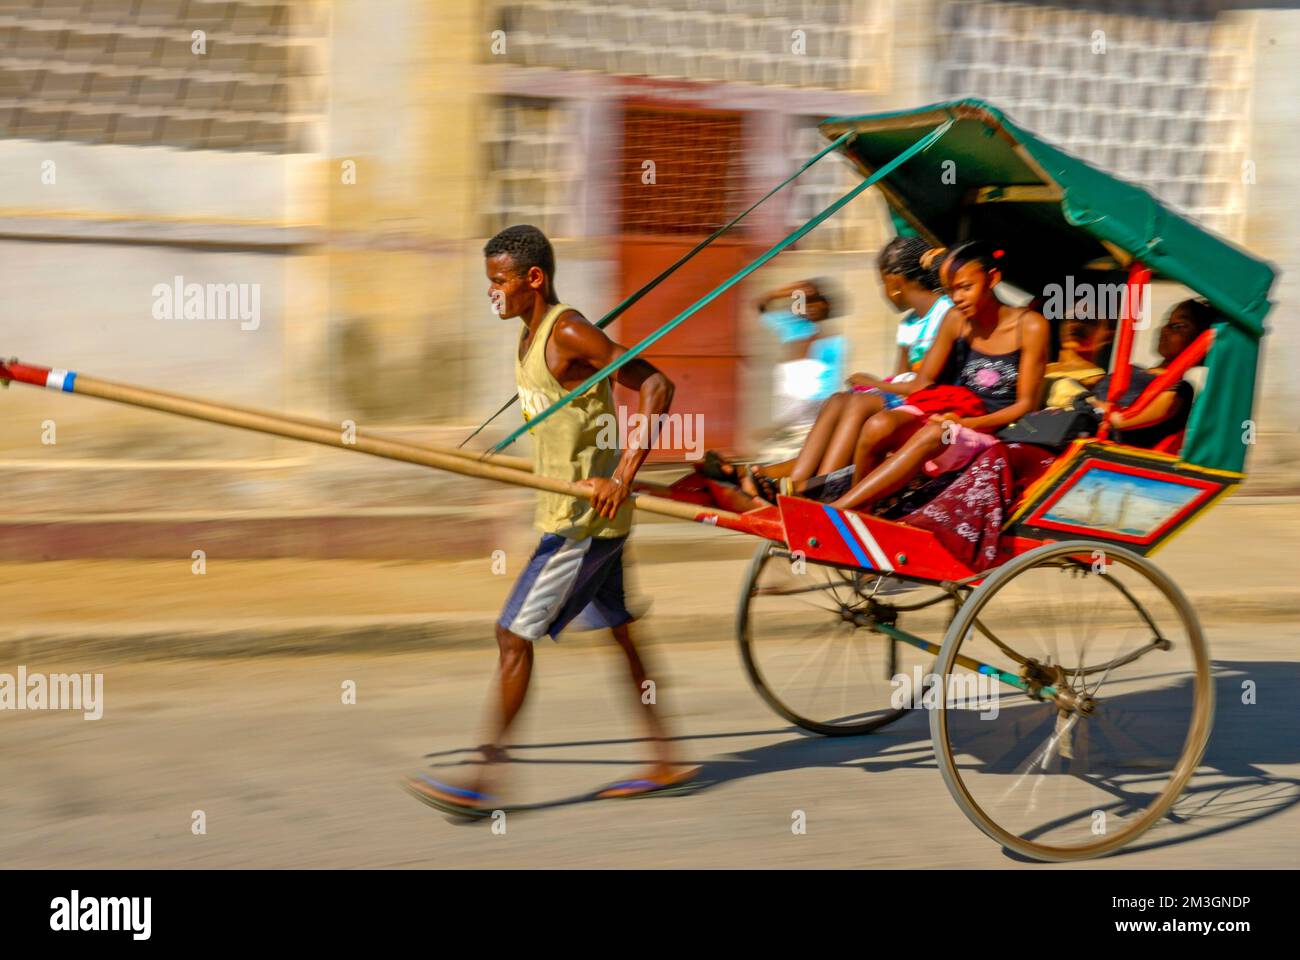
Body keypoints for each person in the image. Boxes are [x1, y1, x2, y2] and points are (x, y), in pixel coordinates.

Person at [404, 224, 698, 816]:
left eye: (499, 282)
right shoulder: (531, 333)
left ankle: (482, 779)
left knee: (512, 636)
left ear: (532, 279)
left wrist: (622, 476)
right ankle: (665, 755)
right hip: (582, 516)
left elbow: (657, 385)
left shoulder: (566, 330)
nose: (492, 293)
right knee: (620, 630)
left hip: (581, 523)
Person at [700, 236, 953, 502]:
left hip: (930, 403)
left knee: (857, 404)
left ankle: (812, 488)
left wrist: (874, 384)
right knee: (839, 400)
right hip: (903, 400)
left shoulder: (945, 314)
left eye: (883, 283)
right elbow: (900, 376)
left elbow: (925, 383)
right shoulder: (909, 324)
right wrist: (872, 385)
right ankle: (795, 484)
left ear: (896, 282)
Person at [828, 240, 1049, 512]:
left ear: (992, 278)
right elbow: (923, 383)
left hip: (991, 429)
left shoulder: (1030, 326)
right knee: (879, 425)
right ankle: (860, 510)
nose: (957, 298)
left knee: (938, 433)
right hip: (952, 415)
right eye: (951, 290)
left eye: (966, 288)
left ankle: (839, 510)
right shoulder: (956, 319)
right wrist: (873, 384)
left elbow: (1026, 405)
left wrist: (970, 422)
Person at [1087, 298, 1215, 449]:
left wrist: (1085, 400)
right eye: (1167, 322)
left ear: (1197, 341)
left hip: (1107, 448)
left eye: (1178, 326)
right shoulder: (1132, 369)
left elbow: (1121, 421)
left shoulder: (1179, 390)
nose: (1165, 329)